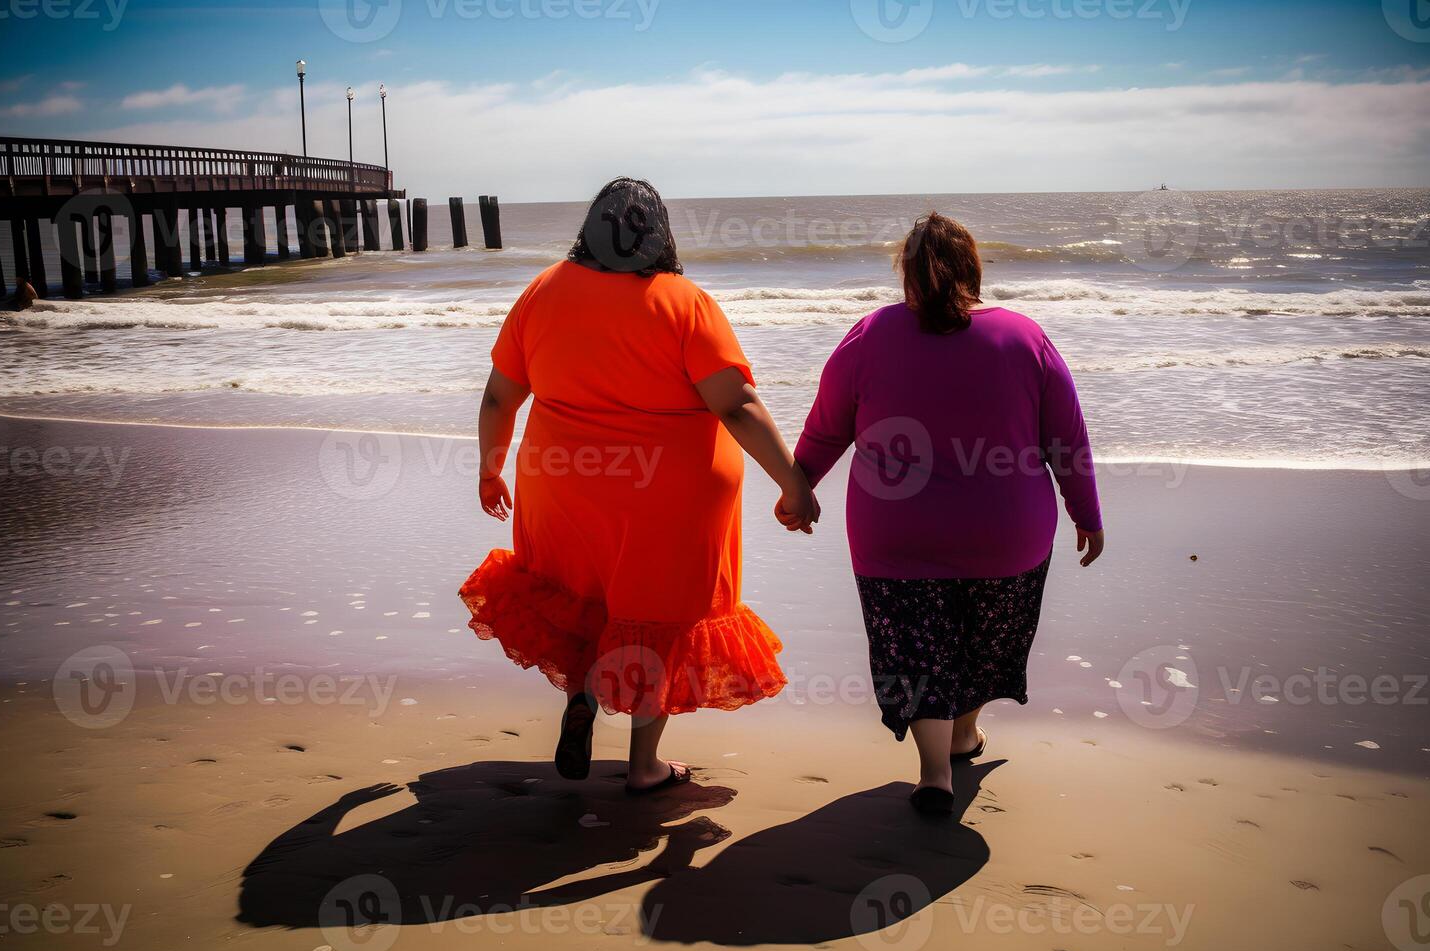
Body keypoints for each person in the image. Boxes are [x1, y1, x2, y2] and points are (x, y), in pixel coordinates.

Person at [461, 177, 818, 794]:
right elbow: (736, 407)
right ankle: (645, 764)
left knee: (581, 599)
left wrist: (490, 468)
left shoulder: (542, 292)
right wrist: (792, 483)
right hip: (666, 500)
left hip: (563, 482)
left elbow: (499, 395)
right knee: (658, 620)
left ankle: (580, 701)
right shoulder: (684, 303)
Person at [786, 212, 1104, 816]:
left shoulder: (870, 334)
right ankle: (964, 735)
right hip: (1005, 534)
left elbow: (828, 428)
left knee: (915, 645)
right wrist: (1086, 512)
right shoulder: (1024, 336)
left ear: (906, 272)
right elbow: (1068, 440)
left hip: (895, 535)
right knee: (985, 638)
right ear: (973, 269)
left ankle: (935, 772)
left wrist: (799, 487)